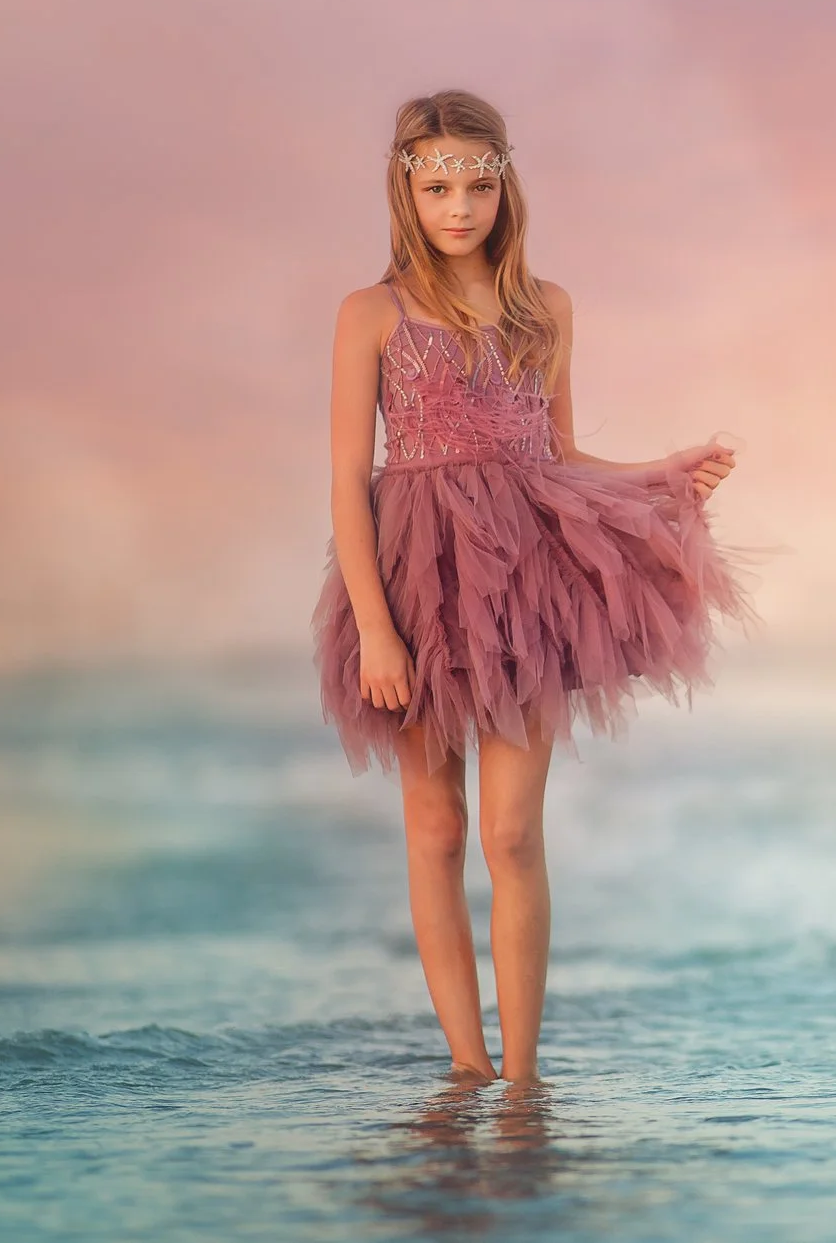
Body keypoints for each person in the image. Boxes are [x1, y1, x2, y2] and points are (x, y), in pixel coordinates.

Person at [312, 89, 756, 1087]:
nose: (458, 206)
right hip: (414, 578)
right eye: (437, 186)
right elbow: (348, 475)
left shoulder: (543, 307)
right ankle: (466, 1065)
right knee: (436, 826)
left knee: (512, 831)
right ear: (407, 191)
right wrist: (377, 632)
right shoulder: (370, 312)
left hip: (525, 581)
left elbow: (553, 451)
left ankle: (522, 1076)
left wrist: (659, 477)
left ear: (504, 185)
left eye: (476, 183)